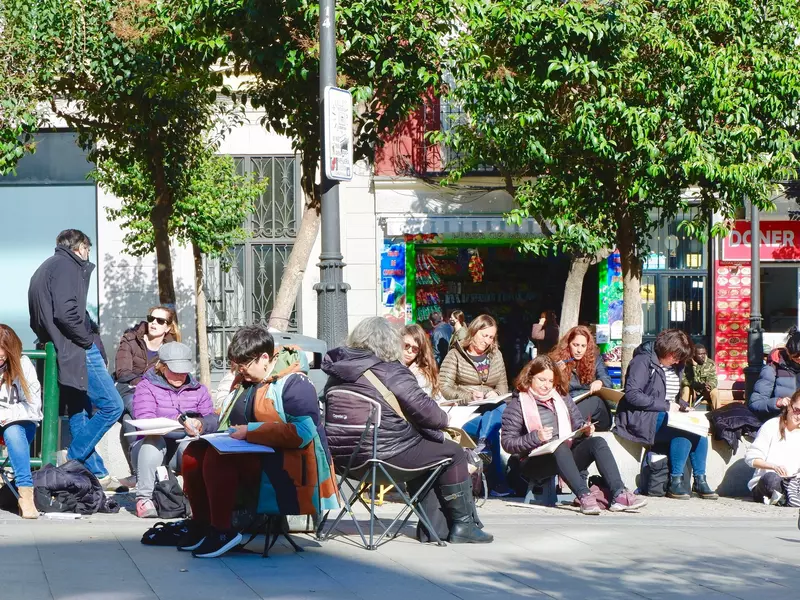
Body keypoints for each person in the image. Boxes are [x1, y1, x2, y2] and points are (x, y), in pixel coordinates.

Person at [170, 325, 338, 558]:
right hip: (254, 454)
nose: (240, 372)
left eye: (245, 366)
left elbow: (303, 432)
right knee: (194, 451)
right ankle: (202, 525)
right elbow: (227, 417)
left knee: (219, 458)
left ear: (265, 358)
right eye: (237, 366)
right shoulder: (246, 381)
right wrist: (201, 423)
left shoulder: (294, 383)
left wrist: (251, 432)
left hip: (289, 464)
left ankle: (223, 531)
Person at [324, 317, 492, 544]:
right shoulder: (391, 371)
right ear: (391, 343)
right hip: (386, 457)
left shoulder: (337, 373)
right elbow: (431, 415)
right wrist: (445, 417)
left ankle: (434, 529)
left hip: (344, 462)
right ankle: (464, 525)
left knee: (426, 454)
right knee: (453, 452)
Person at [28, 229, 124, 490]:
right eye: (88, 249)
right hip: (76, 348)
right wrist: (88, 339)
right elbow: (67, 313)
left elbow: (42, 316)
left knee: (79, 411)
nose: (88, 254)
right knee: (112, 405)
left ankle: (99, 474)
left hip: (62, 349)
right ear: (80, 247)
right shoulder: (67, 266)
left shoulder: (46, 267)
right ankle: (73, 457)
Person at [501, 356, 646, 514]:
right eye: (542, 379)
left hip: (566, 456)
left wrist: (584, 429)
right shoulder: (518, 404)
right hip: (533, 462)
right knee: (560, 448)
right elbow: (508, 443)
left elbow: (577, 422)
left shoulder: (561, 396)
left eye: (550, 381)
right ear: (530, 377)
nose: (546, 385)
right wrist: (536, 437)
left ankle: (619, 494)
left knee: (597, 442)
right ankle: (585, 495)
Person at [615, 329, 718, 500]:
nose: (677, 360)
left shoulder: (676, 366)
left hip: (665, 414)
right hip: (639, 417)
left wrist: (683, 406)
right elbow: (632, 394)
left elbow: (672, 396)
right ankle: (675, 481)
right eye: (675, 356)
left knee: (699, 429)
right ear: (666, 350)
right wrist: (667, 406)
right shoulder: (642, 361)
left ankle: (700, 479)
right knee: (683, 429)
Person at [131, 342, 217, 518]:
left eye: (183, 370)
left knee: (194, 445)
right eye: (174, 370)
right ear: (162, 367)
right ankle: (144, 499)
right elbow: (144, 419)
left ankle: (195, 500)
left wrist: (201, 423)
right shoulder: (146, 387)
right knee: (152, 442)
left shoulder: (199, 390)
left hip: (181, 445)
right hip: (149, 448)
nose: (179, 375)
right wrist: (176, 422)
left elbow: (213, 419)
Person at [439, 314, 511, 496]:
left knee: (498, 408)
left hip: (490, 408)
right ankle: (497, 482)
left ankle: (482, 445)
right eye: (484, 335)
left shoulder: (496, 355)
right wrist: (468, 395)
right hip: (466, 412)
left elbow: (503, 385)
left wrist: (496, 393)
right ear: (474, 332)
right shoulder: (455, 354)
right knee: (493, 427)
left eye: (491, 337)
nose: (487, 341)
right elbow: (445, 387)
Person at [114, 306, 180, 475]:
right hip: (129, 390)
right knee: (137, 409)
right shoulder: (130, 339)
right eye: (151, 318)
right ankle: (154, 470)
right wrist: (145, 384)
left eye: (160, 321)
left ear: (168, 327)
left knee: (130, 421)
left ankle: (140, 473)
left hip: (157, 393)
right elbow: (122, 373)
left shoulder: (171, 348)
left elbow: (171, 377)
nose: (154, 323)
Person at [0, 324, 42, 519]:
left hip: (20, 425)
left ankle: (25, 495)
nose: (0, 354)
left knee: (13, 431)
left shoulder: (23, 364)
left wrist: (5, 414)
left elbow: (33, 407)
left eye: (4, 349)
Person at [550, 325, 614, 431]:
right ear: (568, 345)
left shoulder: (595, 359)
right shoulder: (558, 361)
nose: (579, 350)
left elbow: (607, 381)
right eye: (575, 345)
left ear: (588, 346)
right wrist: (556, 375)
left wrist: (600, 381)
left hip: (598, 412)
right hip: (570, 406)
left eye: (583, 346)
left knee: (595, 400)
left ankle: (570, 427)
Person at [744, 389, 800, 506]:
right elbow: (751, 458)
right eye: (797, 410)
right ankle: (786, 498)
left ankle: (787, 498)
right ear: (789, 406)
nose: (799, 416)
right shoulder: (772, 425)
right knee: (771, 479)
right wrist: (773, 466)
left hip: (795, 483)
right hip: (771, 481)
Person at [750, 326, 800, 422]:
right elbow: (755, 403)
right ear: (788, 352)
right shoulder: (772, 369)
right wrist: (778, 402)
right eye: (796, 357)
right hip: (782, 421)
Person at [402, 324, 445, 403]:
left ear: (420, 351)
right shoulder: (390, 367)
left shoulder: (423, 370)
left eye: (415, 349)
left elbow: (435, 396)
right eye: (406, 346)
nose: (409, 351)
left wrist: (446, 404)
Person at [680, 344, 719, 410]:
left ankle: (718, 414)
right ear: (694, 354)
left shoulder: (710, 363)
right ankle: (682, 409)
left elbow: (714, 379)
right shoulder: (687, 363)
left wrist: (710, 386)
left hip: (705, 391)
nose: (703, 356)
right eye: (700, 354)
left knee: (715, 391)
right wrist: (694, 367)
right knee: (686, 389)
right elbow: (684, 380)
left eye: (704, 353)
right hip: (693, 390)